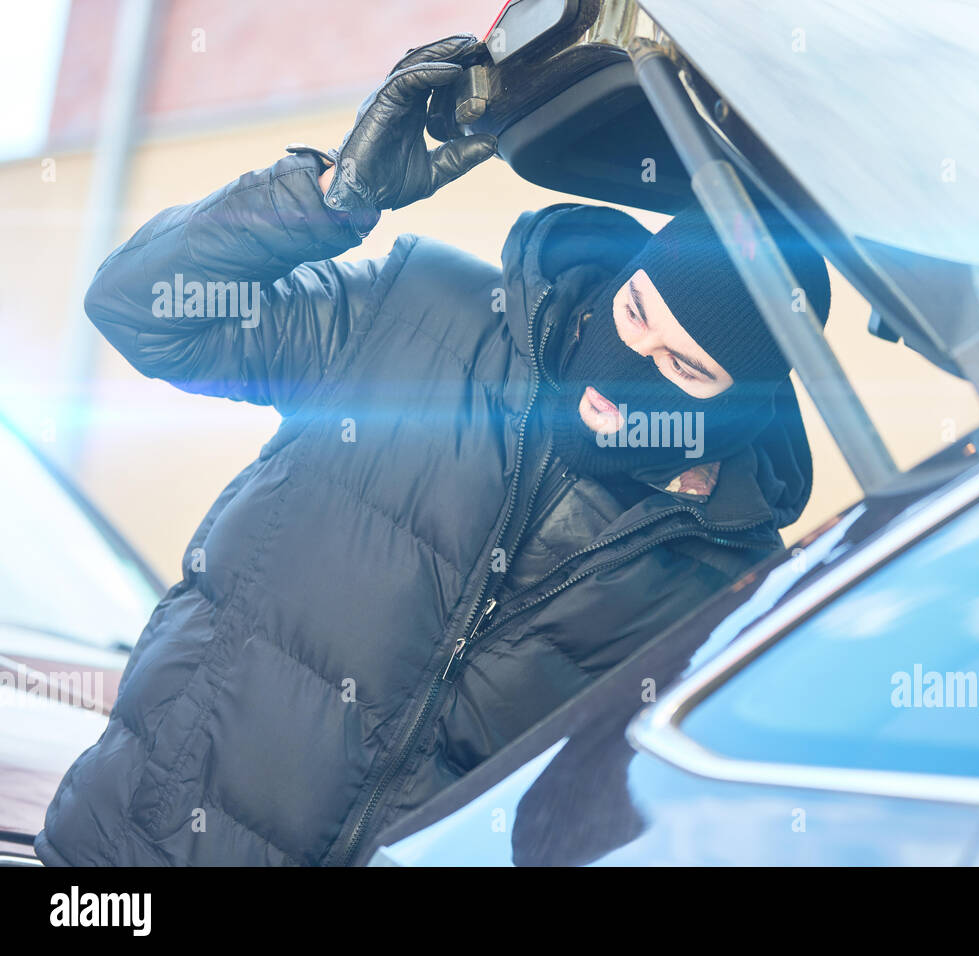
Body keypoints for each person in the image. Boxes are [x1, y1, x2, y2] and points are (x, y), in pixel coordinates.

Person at [36, 35, 830, 866]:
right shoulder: (415, 315)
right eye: (636, 315)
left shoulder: (722, 583)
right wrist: (327, 198)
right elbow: (143, 310)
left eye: (684, 367)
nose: (632, 370)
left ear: (743, 411)